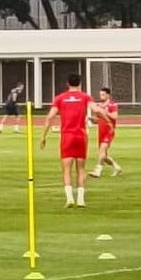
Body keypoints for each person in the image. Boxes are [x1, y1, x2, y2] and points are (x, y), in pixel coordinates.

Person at [40, 73, 107, 208]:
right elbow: (97, 110)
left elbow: (49, 117)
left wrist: (43, 136)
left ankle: (70, 198)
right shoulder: (85, 97)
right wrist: (108, 121)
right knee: (81, 169)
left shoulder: (60, 98)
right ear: (80, 83)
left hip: (67, 137)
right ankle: (81, 200)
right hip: (81, 136)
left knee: (66, 170)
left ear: (68, 84)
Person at [90, 87, 122, 178]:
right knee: (104, 155)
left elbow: (115, 116)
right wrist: (93, 120)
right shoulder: (99, 106)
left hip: (109, 131)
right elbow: (99, 120)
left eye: (103, 94)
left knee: (102, 151)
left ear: (108, 95)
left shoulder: (112, 104)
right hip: (101, 132)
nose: (101, 96)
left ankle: (98, 170)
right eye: (100, 94)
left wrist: (105, 112)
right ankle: (116, 167)